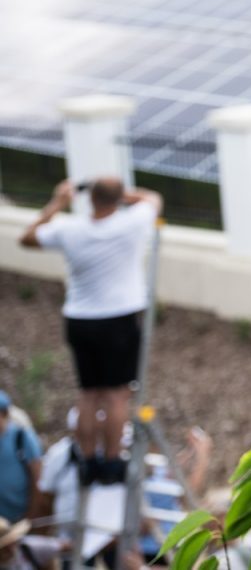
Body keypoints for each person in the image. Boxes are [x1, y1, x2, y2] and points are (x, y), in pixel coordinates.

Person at [18, 178, 163, 486]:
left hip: (80, 319)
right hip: (118, 320)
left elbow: (27, 238)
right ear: (118, 199)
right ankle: (111, 461)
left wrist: (57, 203)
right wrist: (125, 195)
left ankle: (87, 459)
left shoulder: (70, 229)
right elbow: (153, 198)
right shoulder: (131, 223)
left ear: (90, 200)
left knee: (88, 393)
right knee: (116, 395)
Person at [0, 395, 40, 528]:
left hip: (19, 519)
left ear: (4, 414)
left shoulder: (21, 437)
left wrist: (30, 518)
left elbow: (37, 478)